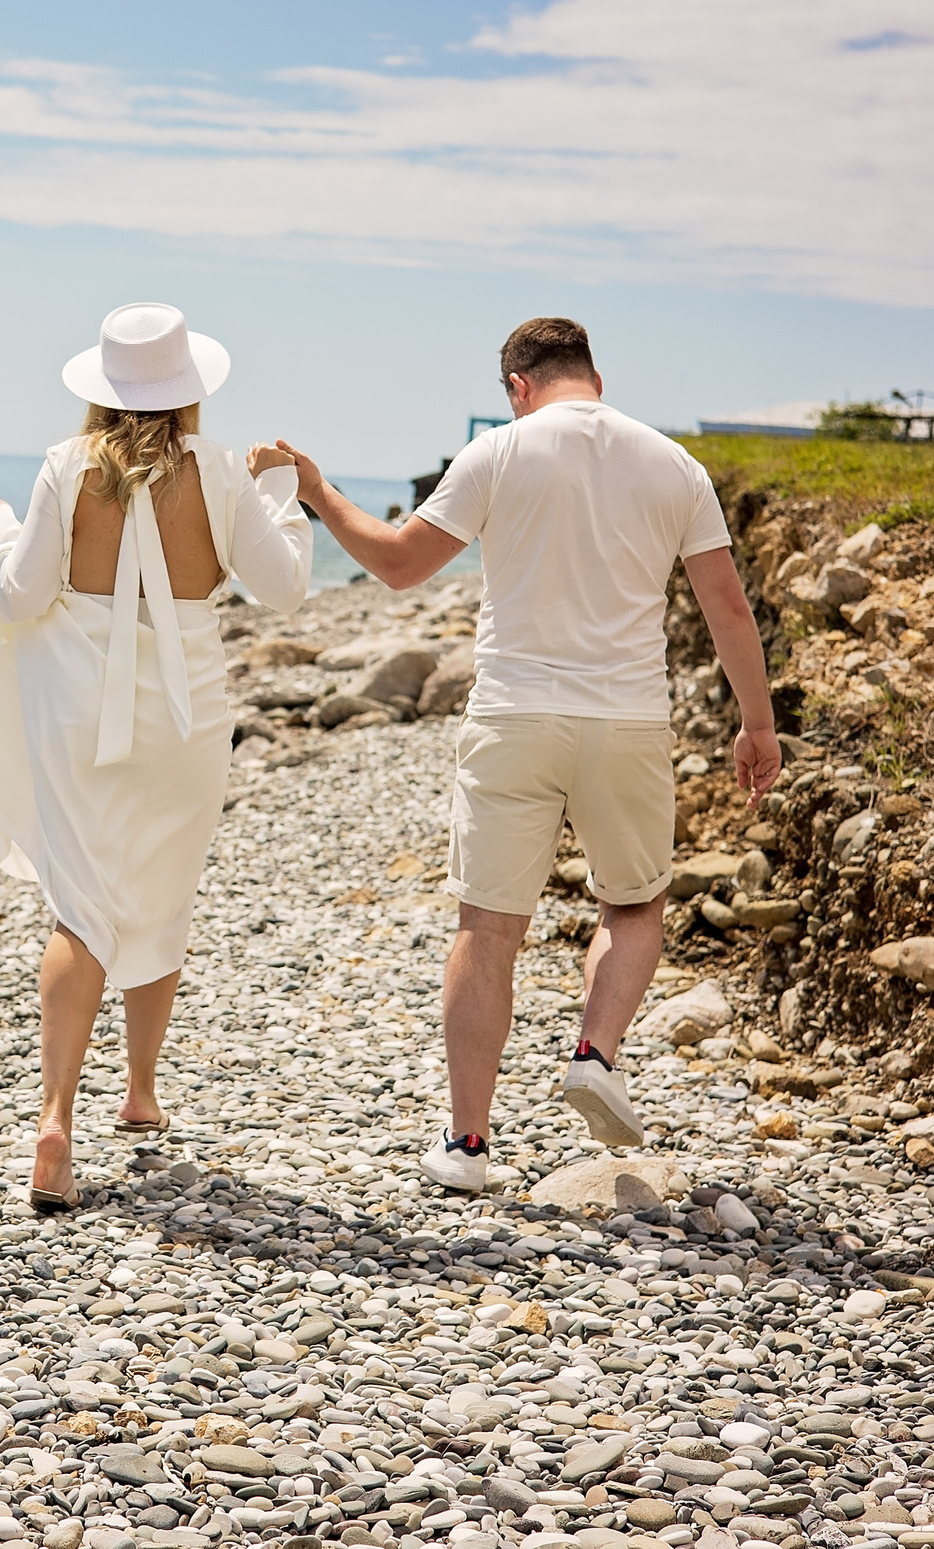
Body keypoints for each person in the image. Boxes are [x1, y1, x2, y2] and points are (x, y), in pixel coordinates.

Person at [272, 317, 779, 1192]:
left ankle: (468, 1147)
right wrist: (756, 725)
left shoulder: (497, 454)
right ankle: (595, 1050)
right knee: (634, 902)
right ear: (596, 377)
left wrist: (318, 490)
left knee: (489, 925)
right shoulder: (674, 465)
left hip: (513, 715)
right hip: (624, 720)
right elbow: (727, 609)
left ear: (517, 386)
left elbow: (397, 564)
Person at [0, 303, 315, 1214]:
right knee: (162, 888)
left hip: (79, 713)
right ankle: (141, 1091)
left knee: (82, 907)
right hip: (187, 724)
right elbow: (286, 591)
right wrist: (278, 493)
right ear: (189, 389)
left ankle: (56, 1119)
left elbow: (23, 592)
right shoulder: (224, 472)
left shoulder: (66, 468)